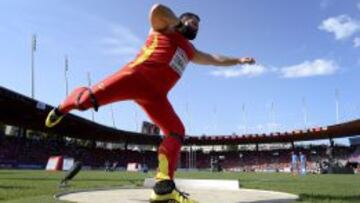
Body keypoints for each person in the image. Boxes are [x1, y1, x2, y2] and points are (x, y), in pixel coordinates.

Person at [45, 4, 256, 203]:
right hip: (133, 78)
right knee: (84, 102)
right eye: (192, 21)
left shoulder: (191, 51)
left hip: (156, 97)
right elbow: (156, 9)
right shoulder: (165, 27)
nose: (195, 26)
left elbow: (213, 59)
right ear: (180, 20)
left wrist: (238, 60)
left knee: (176, 131)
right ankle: (62, 107)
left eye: (198, 25)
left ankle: (163, 187)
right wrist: (177, 23)